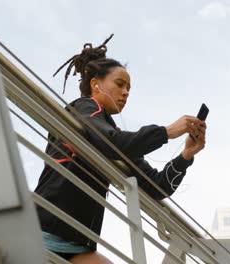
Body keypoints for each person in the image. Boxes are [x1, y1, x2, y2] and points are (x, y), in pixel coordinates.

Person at [34, 34, 207, 264]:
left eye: (129, 88)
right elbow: (108, 141)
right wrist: (166, 132)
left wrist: (186, 156)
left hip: (75, 244)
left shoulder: (115, 139)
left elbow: (157, 186)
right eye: (119, 84)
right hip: (43, 230)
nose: (126, 92)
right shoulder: (85, 108)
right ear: (96, 84)